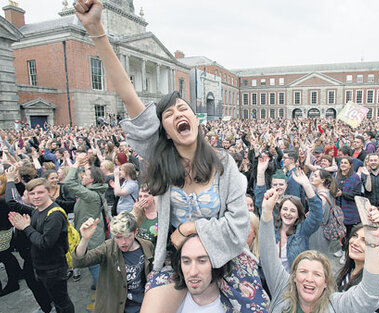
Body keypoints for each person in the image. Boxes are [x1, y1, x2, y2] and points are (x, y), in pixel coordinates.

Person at [74, 2, 268, 312]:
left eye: (183, 108)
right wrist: (96, 31)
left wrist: (190, 229)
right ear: (164, 130)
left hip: (225, 255)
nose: (178, 113)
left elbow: (238, 224)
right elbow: (128, 94)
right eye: (168, 113)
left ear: (195, 119)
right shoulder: (158, 157)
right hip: (176, 257)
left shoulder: (224, 164)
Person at [259, 187, 379, 313]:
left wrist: (373, 241)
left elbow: (369, 297)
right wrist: (266, 211)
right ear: (294, 277)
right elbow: (268, 256)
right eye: (303, 271)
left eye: (317, 274)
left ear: (326, 282)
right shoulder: (283, 290)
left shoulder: (336, 305)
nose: (309, 279)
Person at [8, 178, 74, 313]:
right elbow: (14, 205)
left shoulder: (54, 214)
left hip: (53, 268)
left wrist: (26, 227)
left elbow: (45, 243)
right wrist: (23, 227)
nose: (36, 196)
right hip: (43, 267)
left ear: (49, 192)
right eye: (32, 194)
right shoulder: (37, 210)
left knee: (62, 301)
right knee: (56, 300)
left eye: (40, 192)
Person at [73, 212, 154, 313]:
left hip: (141, 305)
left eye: (127, 236)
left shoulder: (147, 246)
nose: (123, 242)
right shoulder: (108, 248)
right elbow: (80, 261)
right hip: (115, 306)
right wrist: (85, 239)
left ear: (135, 232)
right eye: (118, 237)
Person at [64, 152, 108, 289]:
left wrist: (76, 163)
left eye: (86, 176)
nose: (83, 176)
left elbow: (69, 182)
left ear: (92, 180)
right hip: (92, 236)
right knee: (95, 266)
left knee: (94, 266)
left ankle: (102, 292)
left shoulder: (91, 195)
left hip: (92, 239)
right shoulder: (92, 190)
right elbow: (76, 182)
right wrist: (81, 166)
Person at [335, 224, 379, 312]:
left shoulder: (373, 292)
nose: (355, 242)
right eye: (355, 236)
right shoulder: (350, 271)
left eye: (365, 241)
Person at [171, 234, 232, 312]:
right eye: (186, 262)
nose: (193, 272)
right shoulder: (168, 301)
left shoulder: (232, 307)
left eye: (202, 261)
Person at [308, 169, 339, 258]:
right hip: (324, 229)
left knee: (316, 257)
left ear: (323, 180)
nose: (312, 177)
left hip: (318, 232)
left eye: (316, 176)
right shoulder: (328, 192)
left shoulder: (321, 197)